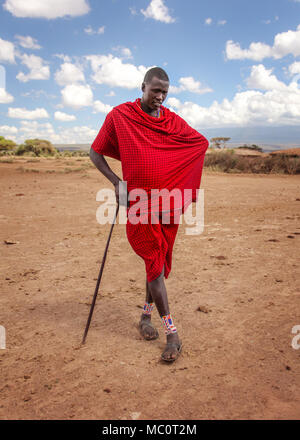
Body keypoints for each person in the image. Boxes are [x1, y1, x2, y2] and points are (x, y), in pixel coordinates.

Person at [90, 67, 209, 362]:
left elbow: (199, 142)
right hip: (140, 204)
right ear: (143, 86)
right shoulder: (120, 116)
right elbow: (95, 152)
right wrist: (117, 183)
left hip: (168, 203)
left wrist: (178, 175)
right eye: (155, 90)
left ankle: (145, 318)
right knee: (154, 260)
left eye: (165, 92)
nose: (160, 97)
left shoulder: (171, 120)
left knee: (155, 262)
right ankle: (172, 334)